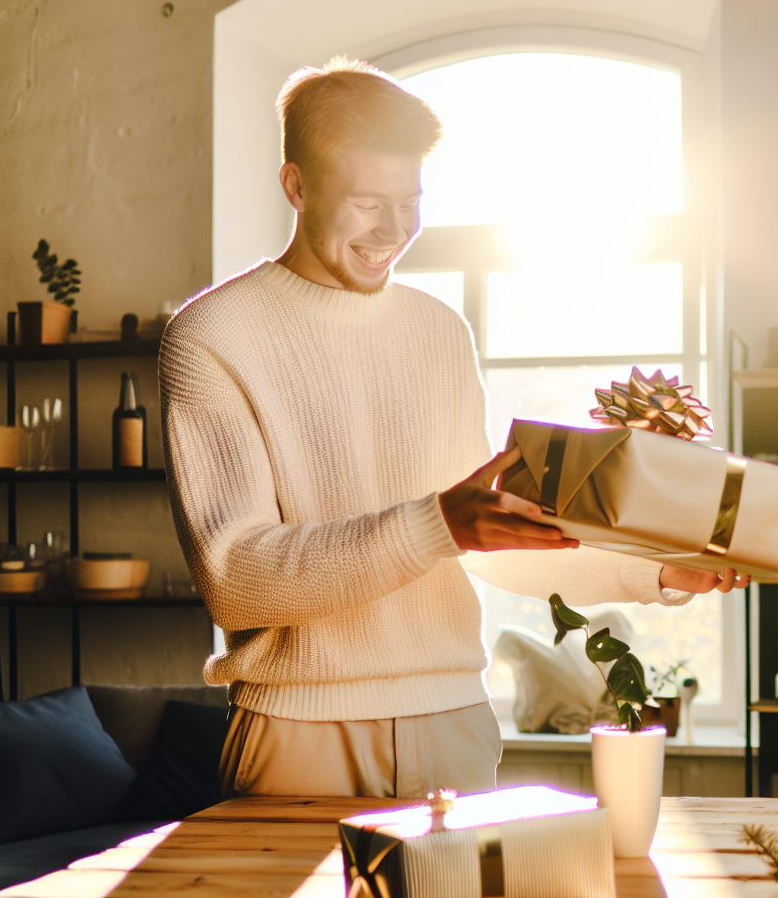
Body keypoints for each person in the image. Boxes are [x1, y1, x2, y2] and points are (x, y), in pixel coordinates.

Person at [161, 58, 743, 800]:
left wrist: (654, 570)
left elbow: (492, 542)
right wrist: (437, 523)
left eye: (411, 201)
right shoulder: (212, 334)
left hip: (455, 730)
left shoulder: (438, 330)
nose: (395, 230)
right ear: (296, 187)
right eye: (368, 202)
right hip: (297, 740)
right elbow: (235, 580)